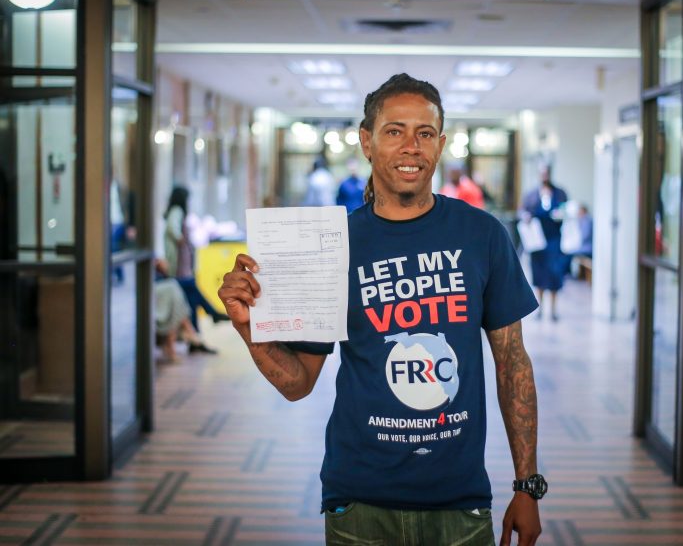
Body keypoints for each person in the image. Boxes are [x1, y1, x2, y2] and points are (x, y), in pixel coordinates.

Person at [219, 74, 545, 545]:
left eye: (425, 133)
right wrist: (249, 328)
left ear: (441, 144)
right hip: (360, 501)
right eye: (395, 131)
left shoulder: (482, 235)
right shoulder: (334, 246)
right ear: (367, 142)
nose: (411, 146)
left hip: (458, 500)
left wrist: (527, 485)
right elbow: (297, 383)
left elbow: (513, 362)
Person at [163, 186, 228, 342]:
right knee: (191, 290)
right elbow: (173, 230)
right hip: (178, 265)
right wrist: (182, 240)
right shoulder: (177, 211)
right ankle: (210, 313)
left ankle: (201, 329)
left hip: (181, 264)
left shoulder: (175, 211)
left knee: (191, 298)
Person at [520, 165, 568, 321]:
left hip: (554, 238)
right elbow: (523, 211)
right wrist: (526, 217)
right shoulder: (532, 194)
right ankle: (540, 308)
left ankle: (553, 310)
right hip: (537, 240)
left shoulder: (559, 193)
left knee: (554, 273)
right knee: (539, 273)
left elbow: (565, 210)